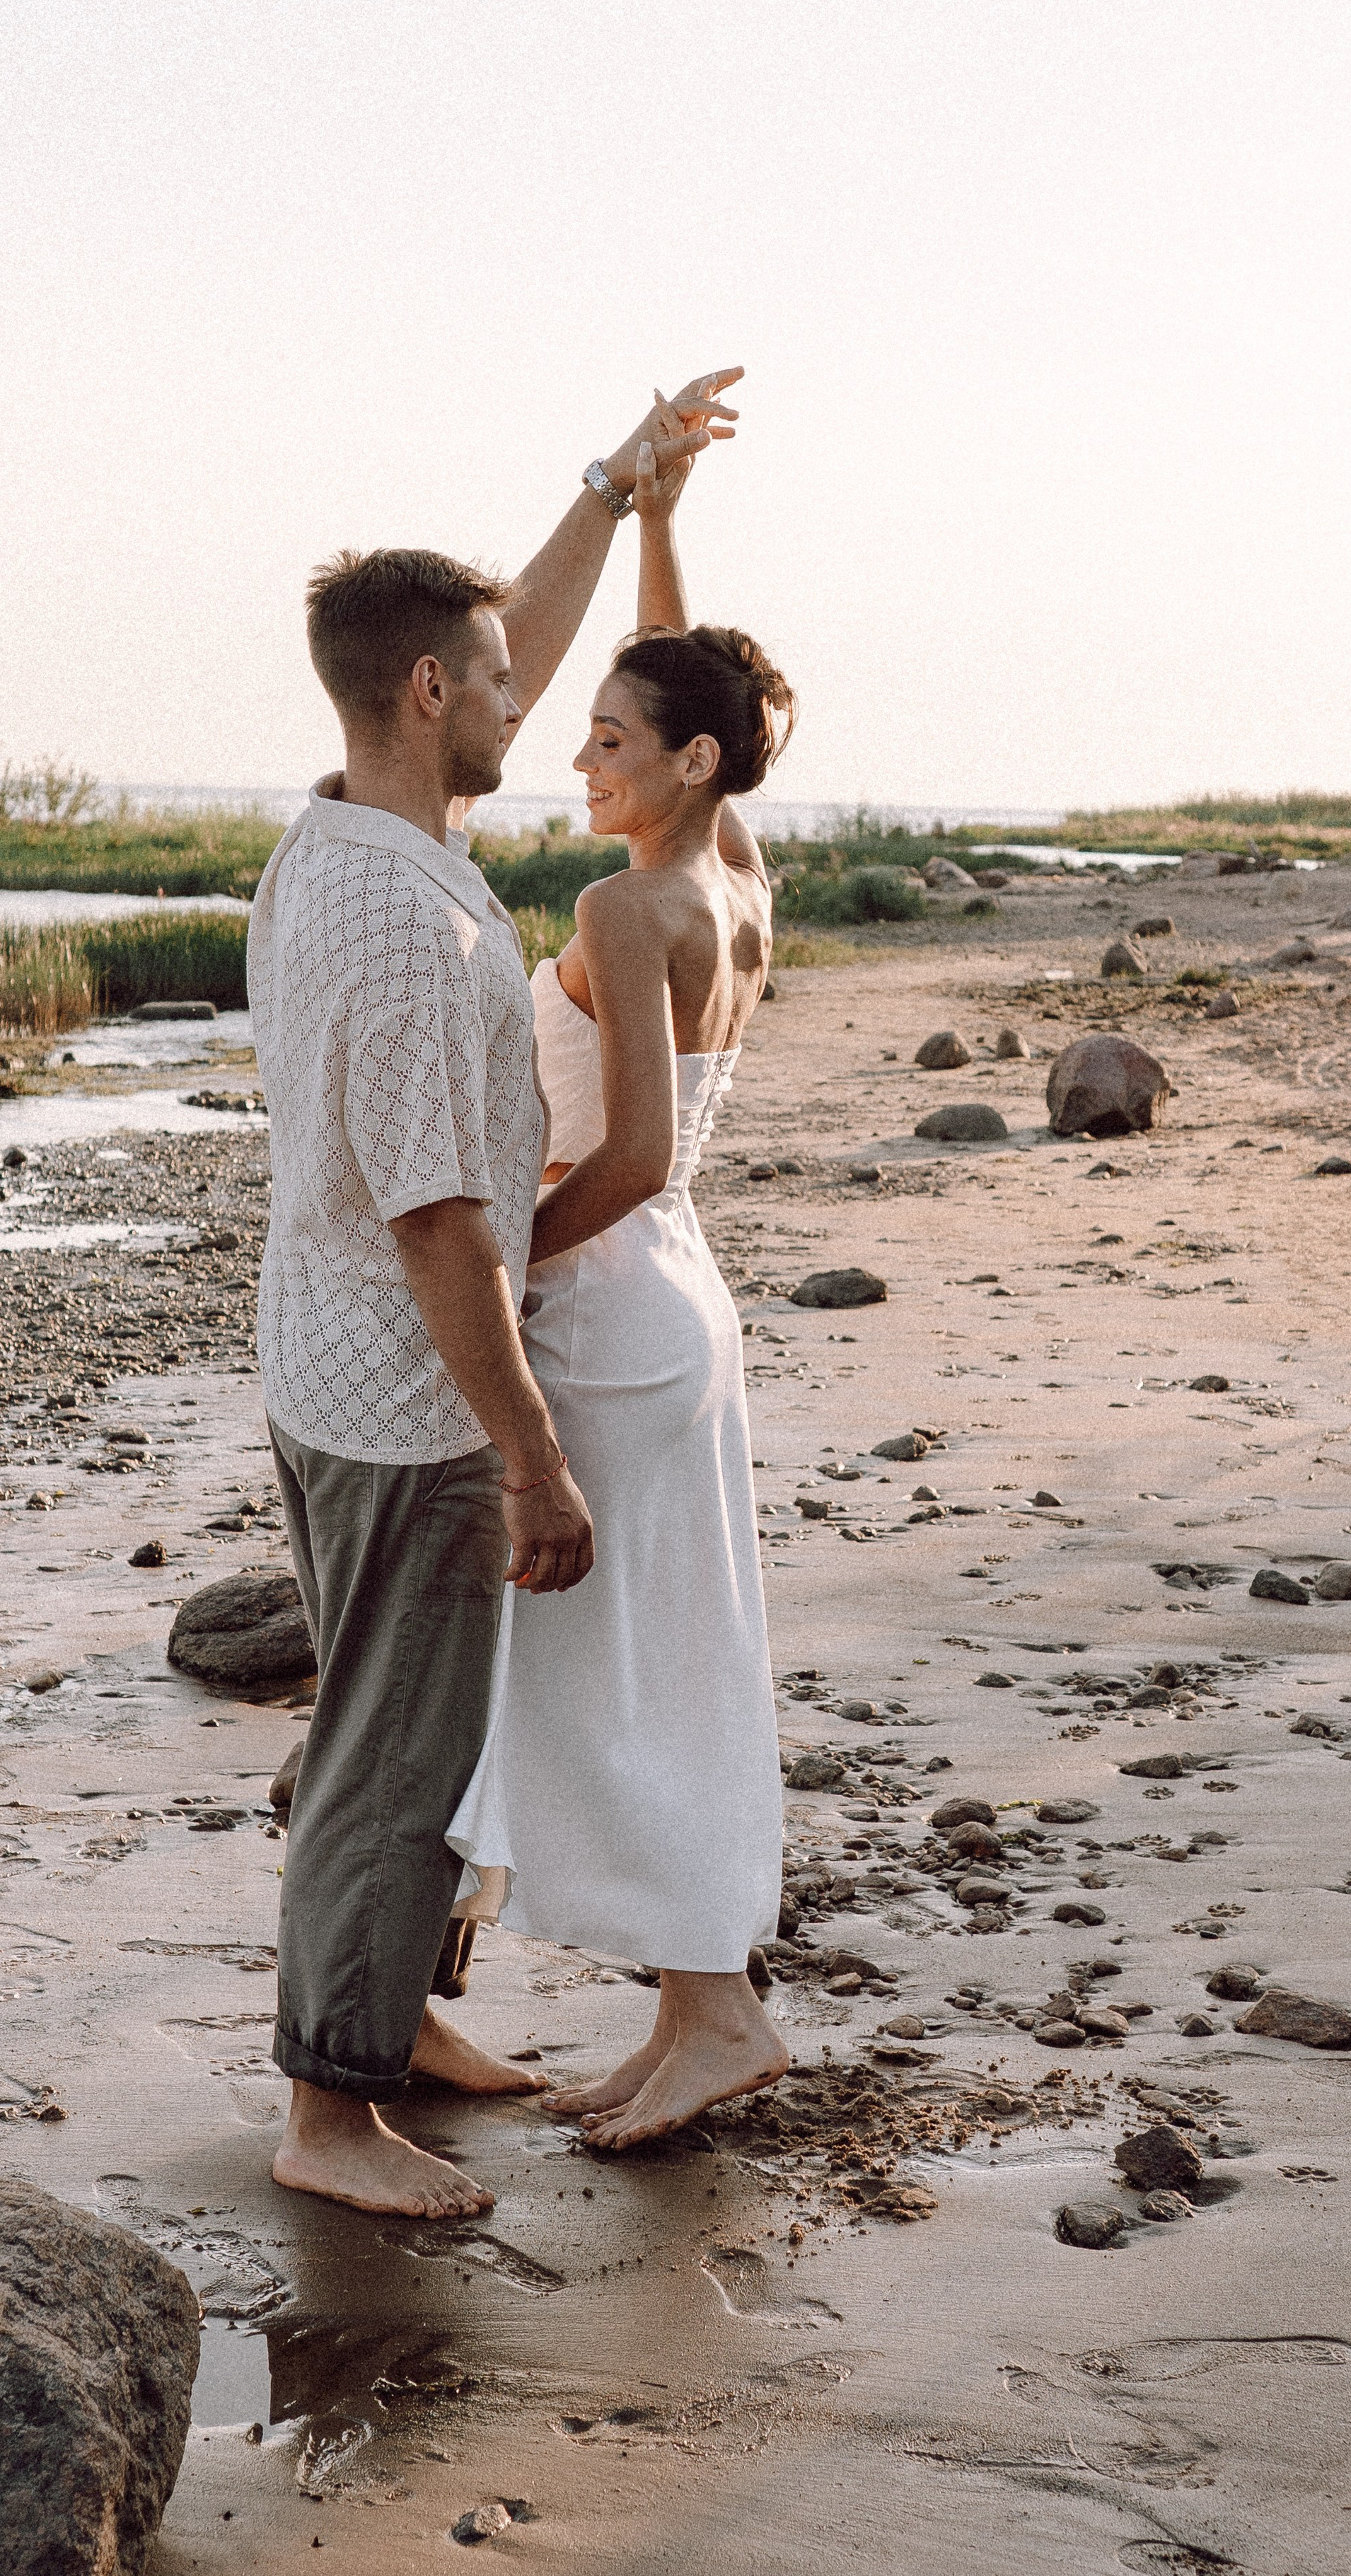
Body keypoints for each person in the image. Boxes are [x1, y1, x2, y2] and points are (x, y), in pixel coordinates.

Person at [250, 373, 742, 2217]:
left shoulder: (348, 829)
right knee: (395, 1752)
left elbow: (494, 652)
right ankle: (329, 2117)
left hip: (321, 1370)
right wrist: (530, 1456)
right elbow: (445, 1230)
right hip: (403, 1396)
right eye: (505, 682)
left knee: (396, 1727)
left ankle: (399, 2021)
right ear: (431, 697)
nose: (540, 702)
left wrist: (617, 496)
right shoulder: (412, 927)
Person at [449, 431, 796, 2147]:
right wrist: (658, 525)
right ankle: (694, 2011)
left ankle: (717, 2013)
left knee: (617, 1679)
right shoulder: (732, 878)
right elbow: (696, 682)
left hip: (609, 1297)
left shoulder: (628, 900)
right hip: (681, 1310)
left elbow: (640, 1155)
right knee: (670, 1662)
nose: (576, 759)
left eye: (607, 741)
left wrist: (496, 1271)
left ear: (686, 764)